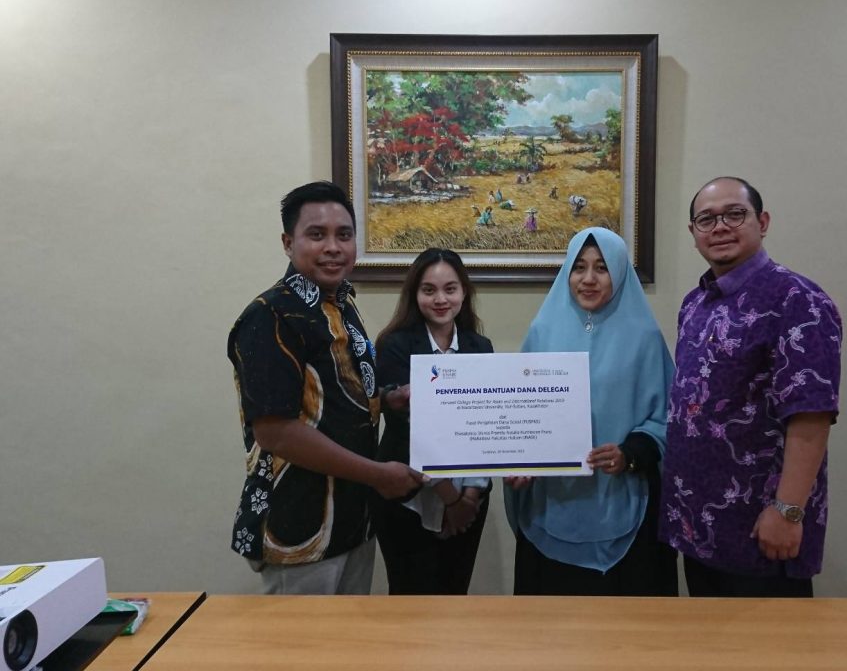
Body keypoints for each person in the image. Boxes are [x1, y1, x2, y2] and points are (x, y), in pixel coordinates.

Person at [227, 181, 424, 595]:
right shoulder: (271, 316)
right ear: (288, 242)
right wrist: (378, 475)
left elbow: (336, 395)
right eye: (317, 234)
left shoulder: (340, 303)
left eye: (344, 235)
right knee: (302, 640)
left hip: (353, 521)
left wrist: (390, 398)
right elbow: (276, 432)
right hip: (299, 527)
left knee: (351, 637)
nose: (333, 247)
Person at [659, 177, 842, 598]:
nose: (720, 226)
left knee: (770, 639)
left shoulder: (797, 300)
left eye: (734, 214)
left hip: (760, 527)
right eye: (706, 219)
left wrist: (788, 510)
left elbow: (811, 415)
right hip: (698, 522)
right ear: (693, 233)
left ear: (763, 222)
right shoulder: (695, 303)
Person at [505, 227, 678, 595]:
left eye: (602, 268)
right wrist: (519, 459)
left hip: (622, 499)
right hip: (551, 504)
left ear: (619, 273)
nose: (588, 279)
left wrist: (630, 453)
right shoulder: (542, 331)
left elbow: (669, 418)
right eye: (579, 267)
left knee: (624, 625)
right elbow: (520, 410)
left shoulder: (644, 337)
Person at [371, 249, 494, 594]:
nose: (441, 299)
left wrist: (468, 497)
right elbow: (412, 431)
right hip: (407, 500)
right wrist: (451, 499)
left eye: (450, 289)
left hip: (471, 501)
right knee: (409, 601)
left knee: (455, 597)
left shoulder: (480, 347)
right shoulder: (394, 346)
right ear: (414, 294)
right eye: (429, 290)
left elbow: (485, 426)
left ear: (464, 292)